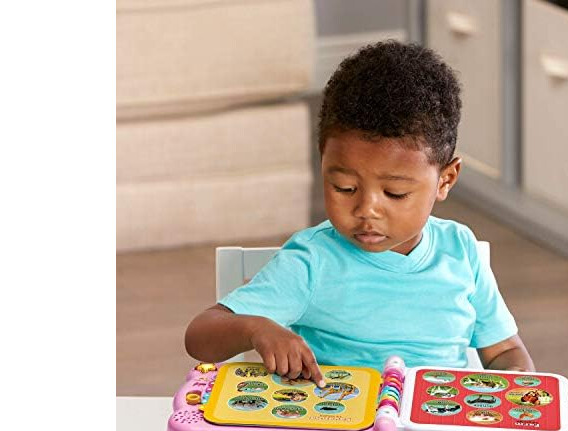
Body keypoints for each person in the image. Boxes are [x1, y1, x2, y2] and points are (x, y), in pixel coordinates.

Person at [185, 41, 535, 388]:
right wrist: (256, 328)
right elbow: (200, 334)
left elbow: (505, 351)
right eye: (345, 188)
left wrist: (517, 381)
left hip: (435, 419)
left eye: (395, 193)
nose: (366, 210)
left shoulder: (461, 251)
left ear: (445, 180)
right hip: (338, 420)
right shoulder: (312, 261)